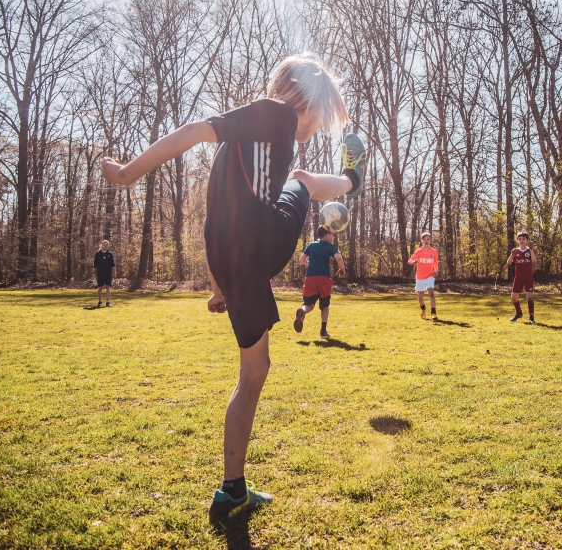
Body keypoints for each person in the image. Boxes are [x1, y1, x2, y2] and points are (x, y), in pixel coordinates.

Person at [100, 52, 367, 524]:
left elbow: (214, 215)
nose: (320, 124)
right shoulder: (275, 113)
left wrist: (219, 282)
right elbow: (196, 130)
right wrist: (127, 174)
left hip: (241, 264)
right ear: (307, 99)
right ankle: (352, 178)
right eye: (324, 114)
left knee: (255, 371)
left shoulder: (247, 144)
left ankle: (232, 490)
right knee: (303, 179)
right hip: (258, 246)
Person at [294, 226, 346, 339]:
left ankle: (302, 311)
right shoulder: (330, 247)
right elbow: (338, 257)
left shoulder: (312, 245)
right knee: (325, 305)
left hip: (310, 278)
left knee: (309, 304)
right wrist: (342, 269)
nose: (334, 236)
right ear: (327, 235)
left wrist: (311, 264)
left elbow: (301, 260)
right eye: (333, 234)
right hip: (324, 279)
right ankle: (323, 331)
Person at [506, 232, 537, 324]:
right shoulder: (515, 251)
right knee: (514, 297)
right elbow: (508, 263)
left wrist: (531, 250)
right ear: (517, 241)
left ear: (527, 241)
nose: (521, 241)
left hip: (528, 277)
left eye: (523, 239)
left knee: (529, 297)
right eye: (520, 239)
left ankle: (531, 317)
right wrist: (511, 255)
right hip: (518, 277)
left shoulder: (530, 250)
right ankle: (518, 313)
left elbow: (534, 260)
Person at [408, 232, 438, 320]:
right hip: (420, 277)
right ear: (421, 241)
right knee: (421, 298)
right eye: (424, 239)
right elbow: (410, 260)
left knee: (431, 293)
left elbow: (435, 263)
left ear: (430, 241)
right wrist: (413, 262)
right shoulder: (419, 251)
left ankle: (433, 313)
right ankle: (423, 310)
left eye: (428, 239)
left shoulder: (434, 251)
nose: (426, 241)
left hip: (430, 276)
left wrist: (436, 270)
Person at [92, 240, 116, 307]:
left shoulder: (110, 254)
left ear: (108, 246)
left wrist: (114, 273)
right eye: (104, 244)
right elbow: (94, 265)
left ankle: (108, 302)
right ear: (101, 245)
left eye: (106, 245)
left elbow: (113, 265)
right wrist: (93, 273)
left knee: (108, 286)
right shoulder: (97, 254)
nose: (105, 246)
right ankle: (99, 302)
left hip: (108, 273)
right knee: (100, 287)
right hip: (100, 273)